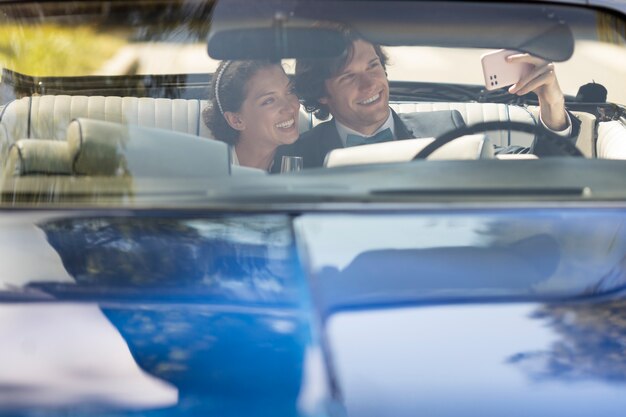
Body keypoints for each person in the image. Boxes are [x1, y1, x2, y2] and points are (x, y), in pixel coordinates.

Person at [273, 25, 580, 169]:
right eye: (349, 77)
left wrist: (551, 103)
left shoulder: (445, 126)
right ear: (321, 94)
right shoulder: (299, 157)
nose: (370, 85)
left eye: (373, 65)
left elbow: (542, 170)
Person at [203, 60, 301, 171]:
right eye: (269, 101)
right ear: (236, 120)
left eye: (289, 91)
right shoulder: (208, 174)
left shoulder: (310, 159)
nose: (290, 108)